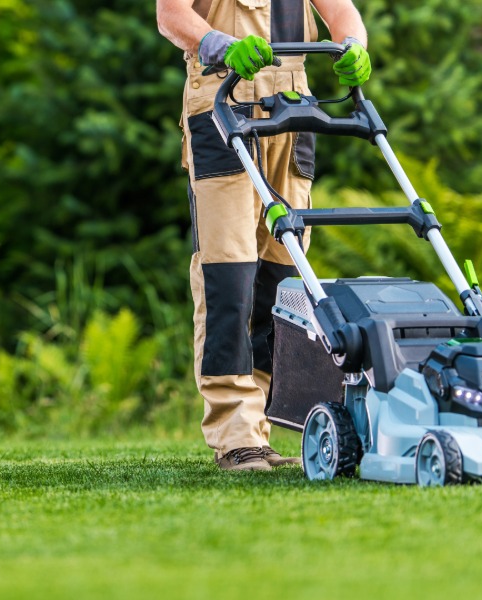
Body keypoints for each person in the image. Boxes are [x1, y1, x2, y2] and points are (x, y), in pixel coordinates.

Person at [155, 0, 371, 471]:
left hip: (291, 112)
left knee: (283, 279)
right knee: (228, 274)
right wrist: (221, 45)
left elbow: (343, 13)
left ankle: (262, 428)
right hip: (221, 102)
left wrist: (354, 45)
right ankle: (235, 432)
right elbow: (170, 14)